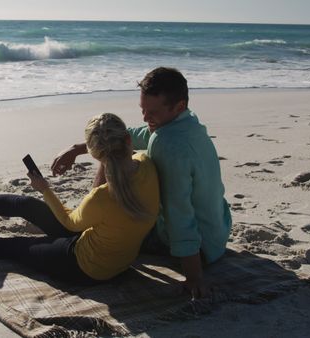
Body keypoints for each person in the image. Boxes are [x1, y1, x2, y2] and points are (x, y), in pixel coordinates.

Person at [51, 67, 232, 298]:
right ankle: (93, 212)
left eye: (152, 112)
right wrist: (78, 148)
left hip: (200, 249)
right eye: (143, 109)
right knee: (114, 151)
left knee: (111, 159)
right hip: (217, 232)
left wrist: (194, 276)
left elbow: (180, 215)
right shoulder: (187, 123)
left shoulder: (171, 148)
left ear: (178, 106)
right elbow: (141, 135)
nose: (145, 118)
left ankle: (92, 216)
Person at [0, 113, 160, 285]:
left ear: (94, 155)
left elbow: (70, 223)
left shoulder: (102, 197)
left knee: (18, 247)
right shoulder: (147, 164)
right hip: (115, 255)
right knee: (27, 205)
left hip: (86, 267)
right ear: (128, 140)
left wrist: (45, 189)